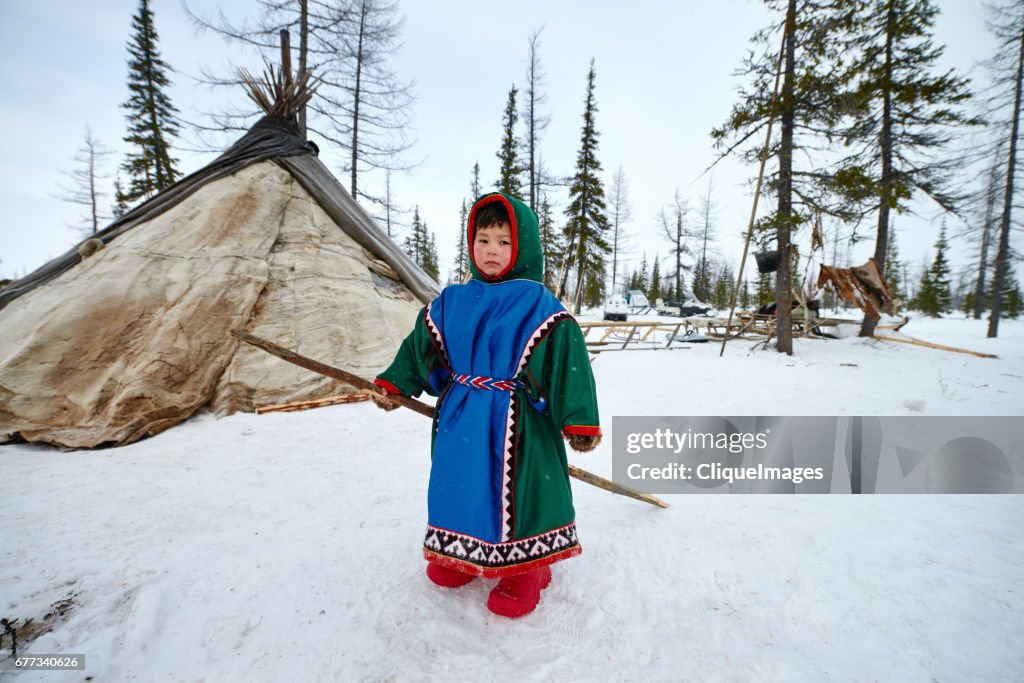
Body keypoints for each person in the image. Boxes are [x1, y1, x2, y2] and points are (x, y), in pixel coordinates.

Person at [370, 191, 601, 618]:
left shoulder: (539, 304)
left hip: (521, 421)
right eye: (483, 239)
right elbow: (423, 345)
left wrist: (579, 420)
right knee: (459, 484)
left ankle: (527, 569)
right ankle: (462, 552)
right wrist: (397, 382)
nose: (491, 250)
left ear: (524, 247)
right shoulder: (452, 301)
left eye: (504, 241)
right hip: (461, 419)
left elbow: (568, 361)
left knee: (523, 493)